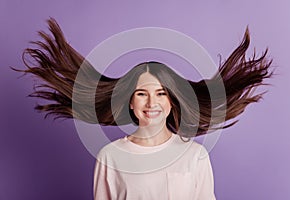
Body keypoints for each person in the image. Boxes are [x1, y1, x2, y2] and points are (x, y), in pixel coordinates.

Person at [13, 18, 273, 199]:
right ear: (129, 100)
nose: (152, 103)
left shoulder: (195, 155)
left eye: (161, 93)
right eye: (141, 94)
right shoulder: (110, 156)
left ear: (172, 101)